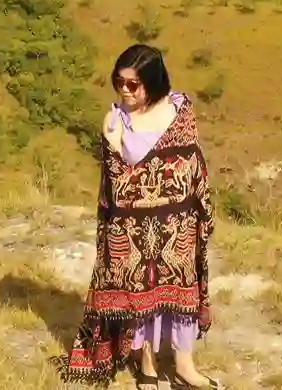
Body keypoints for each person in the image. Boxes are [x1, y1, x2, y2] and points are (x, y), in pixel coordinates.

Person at [58, 43, 223, 388]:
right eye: (120, 82)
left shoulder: (180, 113)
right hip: (133, 229)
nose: (125, 90)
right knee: (140, 296)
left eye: (134, 84)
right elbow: (118, 183)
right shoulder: (117, 120)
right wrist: (113, 144)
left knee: (181, 295)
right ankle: (146, 361)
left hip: (177, 224)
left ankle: (183, 365)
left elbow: (191, 166)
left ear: (154, 81)